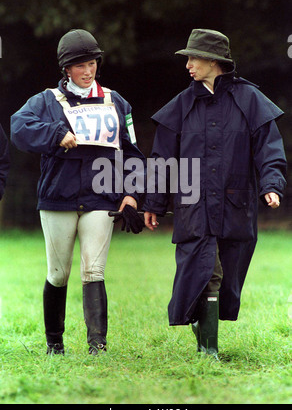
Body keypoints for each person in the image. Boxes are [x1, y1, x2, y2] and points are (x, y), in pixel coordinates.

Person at [143, 29, 287, 359]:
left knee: (225, 274)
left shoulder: (250, 100)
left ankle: (202, 325)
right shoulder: (180, 105)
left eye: (193, 58)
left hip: (236, 203)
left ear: (213, 61)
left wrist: (272, 185)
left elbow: (269, 149)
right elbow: (162, 159)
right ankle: (209, 351)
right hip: (193, 205)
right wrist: (153, 201)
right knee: (208, 270)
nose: (188, 65)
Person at [10, 29, 145, 355]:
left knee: (94, 270)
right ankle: (54, 344)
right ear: (66, 69)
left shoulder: (117, 102)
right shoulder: (45, 102)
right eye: (80, 65)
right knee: (58, 273)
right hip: (58, 198)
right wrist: (55, 134)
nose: (88, 71)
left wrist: (132, 193)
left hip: (101, 197)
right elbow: (18, 127)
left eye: (92, 63)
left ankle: (97, 345)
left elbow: (133, 153)